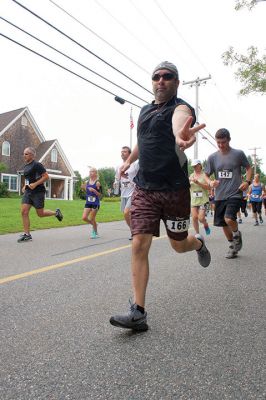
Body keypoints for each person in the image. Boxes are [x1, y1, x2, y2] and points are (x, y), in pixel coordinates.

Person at [110, 61, 211, 332]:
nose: (161, 80)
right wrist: (128, 161)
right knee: (139, 244)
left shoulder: (181, 108)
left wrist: (181, 136)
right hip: (145, 188)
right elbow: (142, 141)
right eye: (156, 76)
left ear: (176, 82)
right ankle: (138, 312)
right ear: (152, 81)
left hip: (174, 190)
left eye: (168, 77)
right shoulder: (144, 111)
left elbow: (180, 123)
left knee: (179, 245)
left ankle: (198, 244)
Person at [205, 128, 252, 259]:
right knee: (223, 224)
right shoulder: (212, 157)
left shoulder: (238, 154)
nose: (220, 145)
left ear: (229, 140)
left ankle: (236, 234)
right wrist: (210, 182)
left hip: (235, 193)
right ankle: (233, 246)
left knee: (229, 218)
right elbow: (206, 175)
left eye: (223, 142)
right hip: (220, 195)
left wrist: (247, 182)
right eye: (218, 142)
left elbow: (248, 168)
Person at [18, 147, 63, 242]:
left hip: (38, 192)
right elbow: (27, 178)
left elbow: (46, 176)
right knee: (24, 212)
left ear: (32, 155)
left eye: (26, 154)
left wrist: (35, 184)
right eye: (24, 153)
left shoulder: (37, 165)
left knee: (40, 214)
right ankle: (27, 234)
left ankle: (56, 213)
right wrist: (25, 186)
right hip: (28, 192)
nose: (24, 156)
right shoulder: (26, 166)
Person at [114, 146, 139, 240]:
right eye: (121, 152)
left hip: (134, 191)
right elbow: (117, 178)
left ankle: (134, 231)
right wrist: (115, 182)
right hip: (124, 193)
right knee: (130, 214)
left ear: (129, 153)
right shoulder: (118, 167)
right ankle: (135, 231)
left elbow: (140, 178)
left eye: (124, 152)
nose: (122, 153)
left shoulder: (135, 165)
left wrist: (128, 177)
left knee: (126, 213)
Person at [189, 159, 211, 235]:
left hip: (203, 200)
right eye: (193, 166)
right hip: (194, 200)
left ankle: (205, 224)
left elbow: (209, 187)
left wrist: (198, 183)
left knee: (201, 218)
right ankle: (197, 234)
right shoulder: (191, 175)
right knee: (194, 217)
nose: (194, 167)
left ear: (200, 165)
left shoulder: (204, 175)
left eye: (195, 166)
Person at [81, 167, 101, 239]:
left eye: (92, 171)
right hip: (88, 202)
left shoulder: (97, 183)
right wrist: (83, 188)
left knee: (92, 218)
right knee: (84, 218)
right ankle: (95, 224)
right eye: (89, 171)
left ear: (95, 173)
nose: (90, 173)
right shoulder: (87, 182)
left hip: (95, 203)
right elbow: (87, 192)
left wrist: (94, 190)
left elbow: (100, 194)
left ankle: (95, 233)